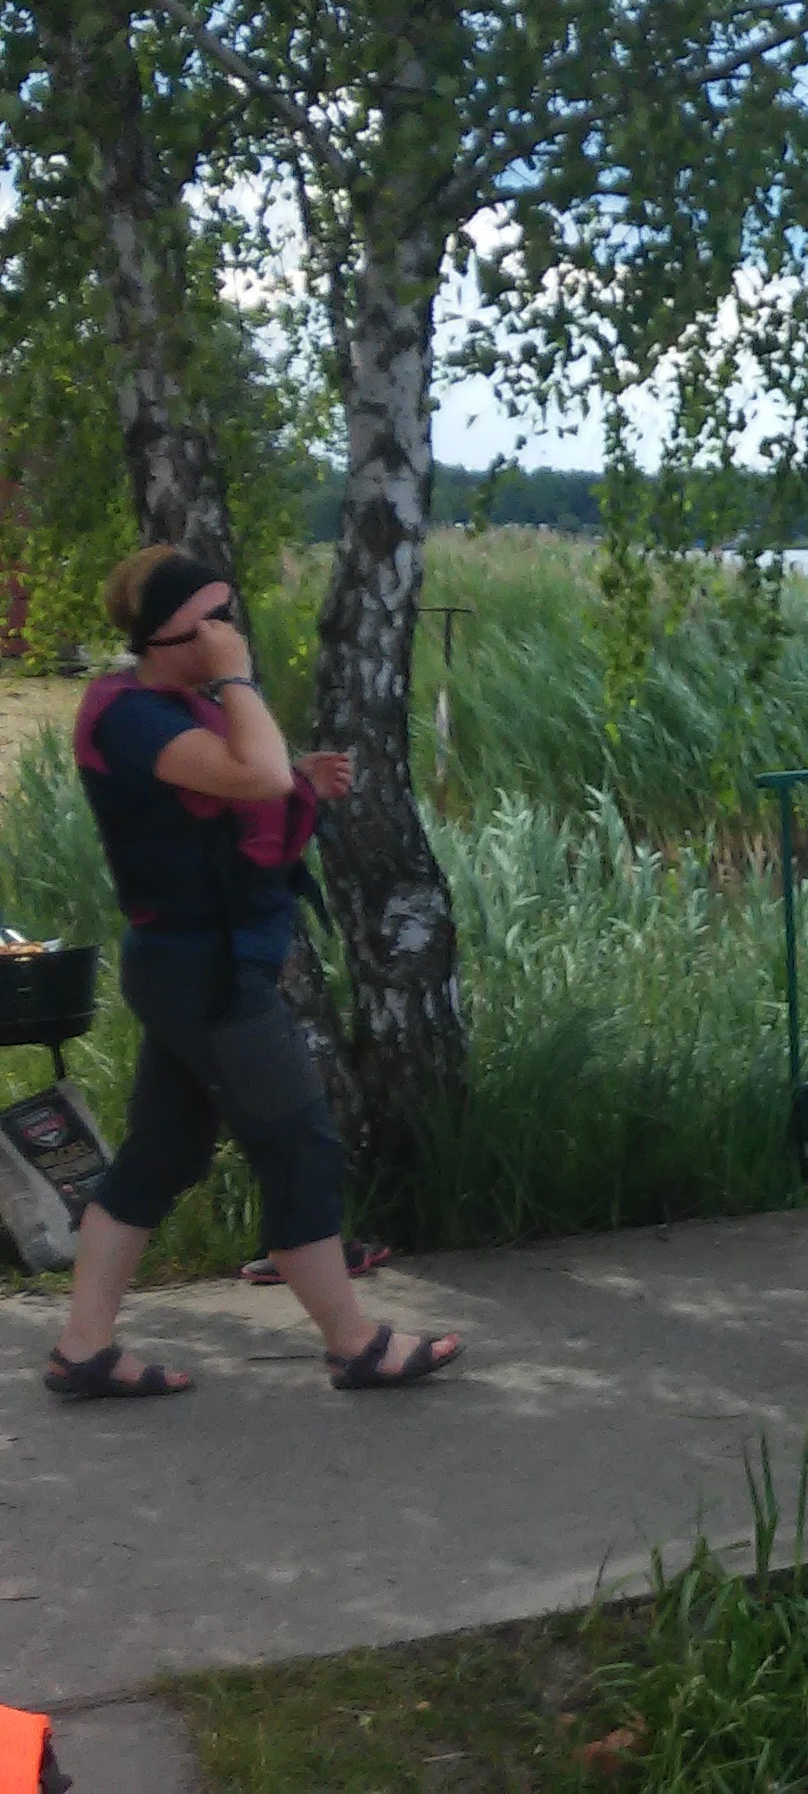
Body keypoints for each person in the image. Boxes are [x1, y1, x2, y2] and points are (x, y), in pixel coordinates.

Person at [46, 546, 464, 1398]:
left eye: (228, 613)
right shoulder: (132, 715)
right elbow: (255, 774)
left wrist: (298, 776)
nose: (228, 631)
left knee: (164, 1152)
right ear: (167, 631)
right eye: (212, 618)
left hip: (195, 966)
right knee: (298, 1143)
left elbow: (244, 786)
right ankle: (354, 1343)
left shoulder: (171, 709)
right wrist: (240, 682)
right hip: (206, 973)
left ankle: (83, 1350)